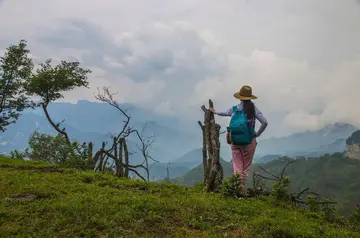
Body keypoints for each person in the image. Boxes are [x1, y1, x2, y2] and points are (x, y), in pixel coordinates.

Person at [209, 85, 268, 185]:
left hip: (235, 140)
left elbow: (224, 113)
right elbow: (264, 122)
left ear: (240, 97)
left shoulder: (235, 109)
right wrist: (257, 134)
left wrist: (215, 112)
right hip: (249, 141)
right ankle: (241, 187)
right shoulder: (253, 109)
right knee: (245, 168)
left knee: (237, 166)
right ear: (250, 97)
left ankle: (236, 187)